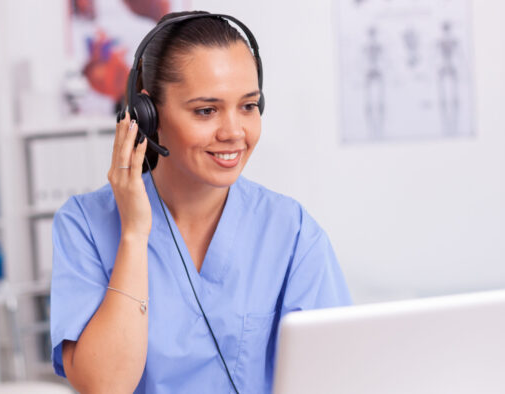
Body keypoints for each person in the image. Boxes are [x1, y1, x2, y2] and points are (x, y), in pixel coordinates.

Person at [50, 10, 352, 393]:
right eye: (206, 110)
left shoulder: (291, 231)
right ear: (148, 115)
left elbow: (339, 374)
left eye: (248, 106)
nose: (233, 132)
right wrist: (134, 235)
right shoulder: (84, 225)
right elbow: (104, 386)